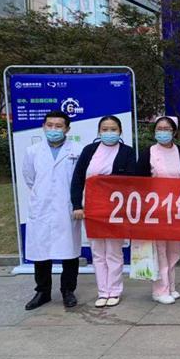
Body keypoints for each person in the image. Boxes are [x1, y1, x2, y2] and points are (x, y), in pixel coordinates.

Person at [71, 115, 137, 308]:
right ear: (99, 132)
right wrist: (77, 205)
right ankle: (103, 292)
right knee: (98, 252)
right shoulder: (89, 150)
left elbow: (132, 181)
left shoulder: (127, 152)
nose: (109, 133)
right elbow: (78, 178)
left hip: (115, 209)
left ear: (120, 131)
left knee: (114, 252)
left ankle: (114, 291)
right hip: (92, 208)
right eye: (105, 129)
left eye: (113, 129)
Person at [22, 110, 83, 310]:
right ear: (43, 126)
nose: (53, 129)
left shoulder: (77, 150)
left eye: (58, 126)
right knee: (41, 251)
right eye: (49, 125)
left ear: (67, 129)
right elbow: (30, 178)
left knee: (69, 252)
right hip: (42, 208)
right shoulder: (33, 151)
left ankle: (68, 291)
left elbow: (81, 179)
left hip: (66, 208)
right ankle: (42, 292)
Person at [136, 117, 180, 305]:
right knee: (159, 249)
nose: (163, 132)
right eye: (159, 128)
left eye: (167, 128)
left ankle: (170, 285)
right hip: (155, 208)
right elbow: (138, 181)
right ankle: (160, 290)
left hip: (177, 207)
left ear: (174, 132)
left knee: (174, 249)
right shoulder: (148, 152)